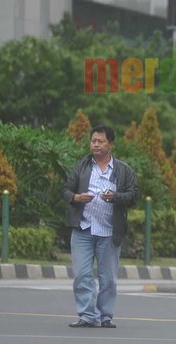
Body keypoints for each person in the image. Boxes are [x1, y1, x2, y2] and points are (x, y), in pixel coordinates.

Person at [62, 125, 139, 328]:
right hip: (83, 229)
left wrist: (115, 197)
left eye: (100, 141)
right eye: (93, 141)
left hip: (109, 232)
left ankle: (105, 316)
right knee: (81, 275)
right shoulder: (82, 166)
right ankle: (87, 315)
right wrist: (77, 197)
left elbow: (133, 196)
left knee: (108, 279)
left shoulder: (123, 170)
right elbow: (66, 190)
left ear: (111, 144)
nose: (96, 144)